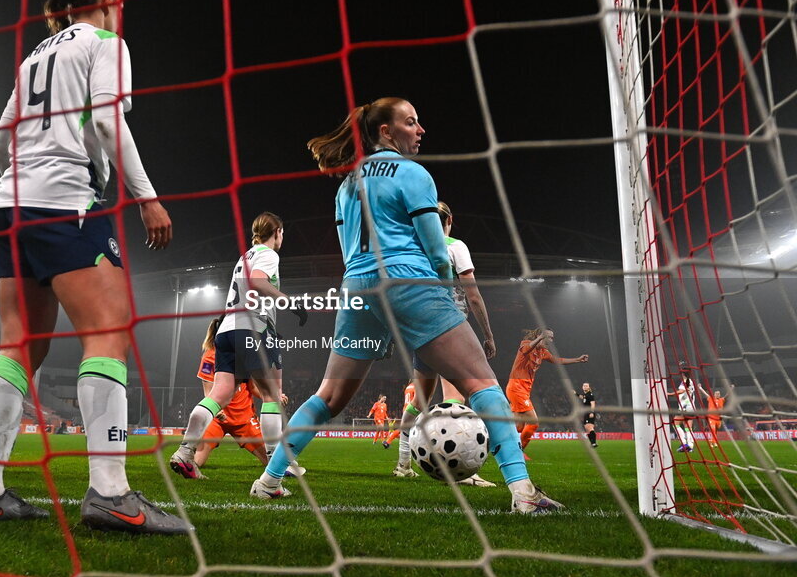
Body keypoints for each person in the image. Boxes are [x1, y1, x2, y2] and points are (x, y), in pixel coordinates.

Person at [0, 0, 187, 535]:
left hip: (6, 205)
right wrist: (147, 197)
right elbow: (111, 123)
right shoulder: (105, 42)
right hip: (65, 203)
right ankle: (110, 495)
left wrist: (26, 174)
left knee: (21, 345)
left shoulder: (37, 53)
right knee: (107, 332)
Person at [249, 97, 562, 513]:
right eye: (411, 122)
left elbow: (348, 253)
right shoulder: (413, 173)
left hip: (357, 285)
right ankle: (523, 491)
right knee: (482, 384)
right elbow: (435, 249)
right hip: (407, 280)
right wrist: (439, 294)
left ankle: (269, 480)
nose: (420, 130)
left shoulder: (346, 185)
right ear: (385, 131)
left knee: (328, 397)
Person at [170, 212, 307, 480]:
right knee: (271, 396)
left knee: (218, 395)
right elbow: (257, 281)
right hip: (252, 328)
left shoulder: (244, 256)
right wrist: (290, 303)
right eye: (282, 233)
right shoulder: (268, 255)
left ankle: (185, 452)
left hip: (228, 330)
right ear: (277, 231)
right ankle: (275, 469)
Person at [392, 201, 497, 487]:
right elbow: (473, 296)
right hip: (448, 330)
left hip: (420, 330)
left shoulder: (413, 248)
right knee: (457, 399)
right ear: (450, 219)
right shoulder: (455, 246)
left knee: (420, 401)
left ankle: (402, 463)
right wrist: (487, 335)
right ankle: (460, 467)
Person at [191, 316, 269, 475]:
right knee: (196, 463)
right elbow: (208, 388)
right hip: (218, 418)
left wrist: (272, 397)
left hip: (243, 418)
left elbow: (252, 387)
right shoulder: (210, 356)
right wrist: (214, 409)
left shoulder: (245, 354)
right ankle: (184, 457)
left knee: (271, 463)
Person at [505, 328, 588, 458]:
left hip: (524, 390)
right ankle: (517, 452)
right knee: (533, 422)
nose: (550, 340)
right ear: (539, 336)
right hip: (516, 387)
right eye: (548, 337)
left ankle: (504, 447)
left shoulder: (543, 352)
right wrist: (539, 339)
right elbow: (526, 350)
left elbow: (557, 360)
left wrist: (577, 359)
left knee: (519, 426)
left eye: (552, 338)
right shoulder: (526, 343)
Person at [668, 368, 697, 453]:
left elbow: (682, 391)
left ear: (683, 374)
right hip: (691, 407)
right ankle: (690, 446)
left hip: (685, 406)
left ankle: (684, 443)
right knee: (688, 427)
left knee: (675, 423)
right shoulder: (690, 381)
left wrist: (670, 394)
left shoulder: (685, 381)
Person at [697, 383, 733, 448]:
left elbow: (727, 396)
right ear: (714, 394)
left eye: (718, 394)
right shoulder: (711, 398)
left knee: (716, 431)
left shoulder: (722, 400)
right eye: (716, 393)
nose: (717, 394)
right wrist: (700, 388)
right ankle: (714, 443)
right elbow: (705, 394)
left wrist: (731, 389)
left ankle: (712, 442)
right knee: (713, 430)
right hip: (711, 418)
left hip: (718, 418)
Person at [575, 382, 598, 447]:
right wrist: (576, 394)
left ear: (588, 387)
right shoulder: (586, 395)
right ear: (582, 387)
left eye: (586, 386)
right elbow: (582, 397)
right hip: (586, 413)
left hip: (589, 412)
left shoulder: (590, 395)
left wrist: (591, 412)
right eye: (584, 386)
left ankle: (594, 443)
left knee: (589, 427)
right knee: (587, 428)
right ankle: (592, 443)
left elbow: (593, 404)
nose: (585, 387)